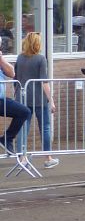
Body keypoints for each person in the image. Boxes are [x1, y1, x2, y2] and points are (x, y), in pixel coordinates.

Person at [14, 32, 55, 168]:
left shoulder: (20, 58)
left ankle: (22, 158)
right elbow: (44, 82)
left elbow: (16, 79)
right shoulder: (41, 59)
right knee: (45, 128)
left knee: (23, 128)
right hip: (39, 99)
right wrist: (51, 100)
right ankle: (48, 158)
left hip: (22, 98)